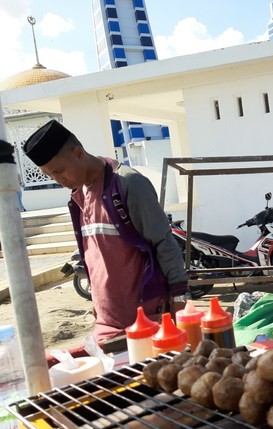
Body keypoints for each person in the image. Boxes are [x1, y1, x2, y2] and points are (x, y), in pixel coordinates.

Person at [23, 120, 190, 342]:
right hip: (107, 324)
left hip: (147, 322)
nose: (59, 180)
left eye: (59, 171)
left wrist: (180, 297)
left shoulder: (128, 183)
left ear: (79, 153)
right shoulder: (79, 195)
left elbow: (163, 242)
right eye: (51, 176)